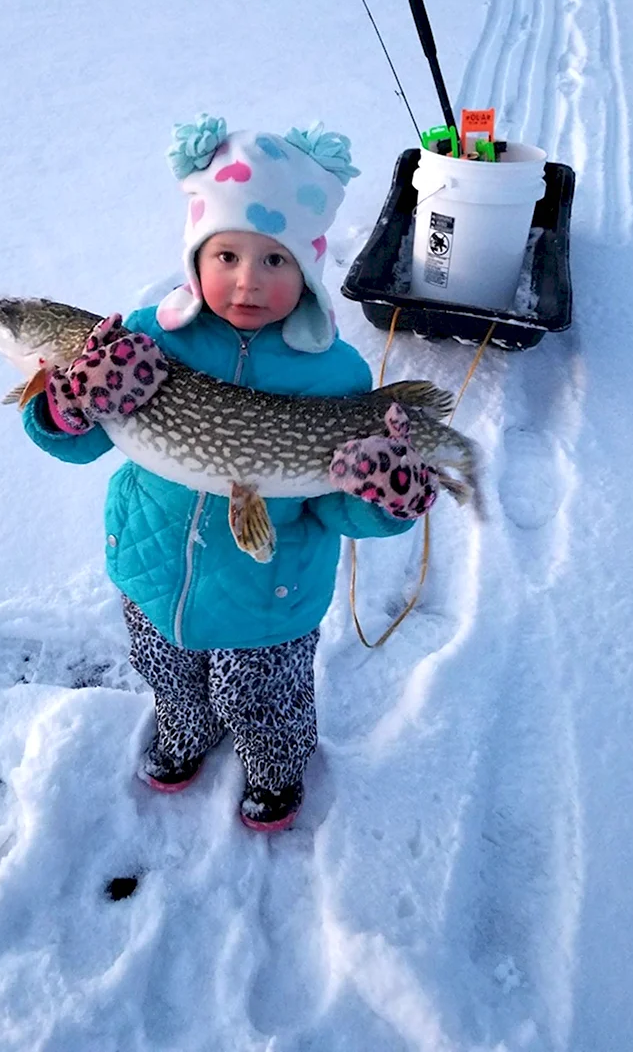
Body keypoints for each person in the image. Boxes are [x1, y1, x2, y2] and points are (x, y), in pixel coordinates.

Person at [22, 116, 438, 831]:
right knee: (169, 675)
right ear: (196, 257)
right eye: (227, 255)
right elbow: (82, 443)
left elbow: (337, 502)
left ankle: (276, 766)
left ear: (306, 270)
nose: (248, 280)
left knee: (264, 696)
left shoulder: (335, 375)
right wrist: (66, 405)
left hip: (271, 597)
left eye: (275, 261)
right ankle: (185, 727)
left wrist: (386, 500)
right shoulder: (145, 341)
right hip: (153, 572)